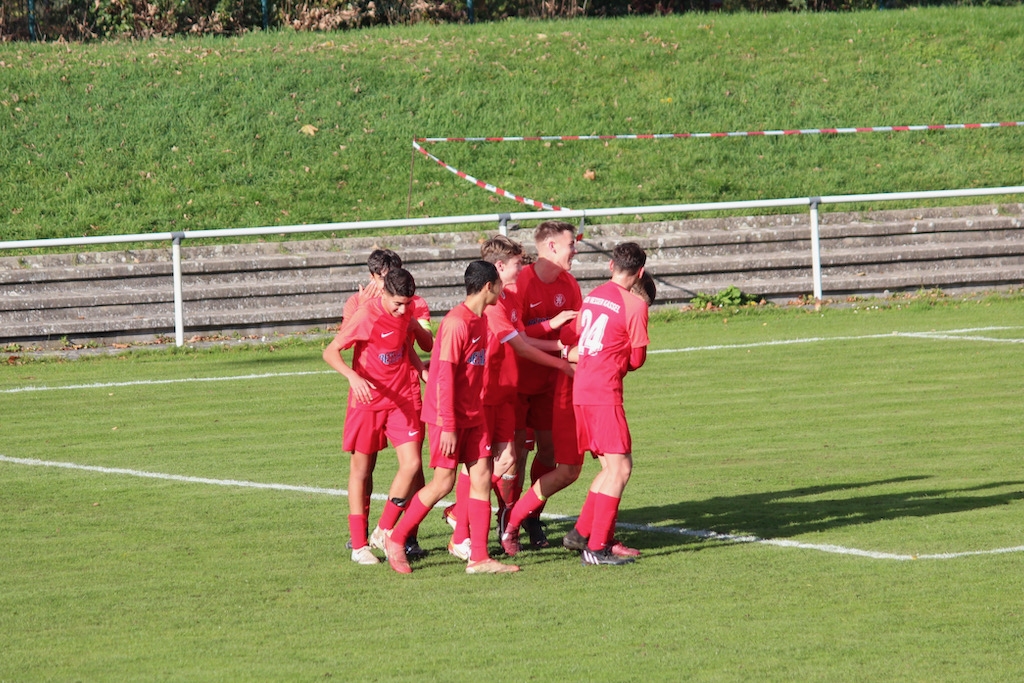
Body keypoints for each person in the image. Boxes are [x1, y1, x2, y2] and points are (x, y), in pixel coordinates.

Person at [385, 261, 520, 575]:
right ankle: (396, 538)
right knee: (443, 483)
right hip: (448, 418)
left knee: (482, 477)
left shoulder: (482, 320)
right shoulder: (457, 323)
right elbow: (444, 377)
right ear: (488, 287)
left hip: (474, 413)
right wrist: (447, 424)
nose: (503, 290)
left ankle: (479, 558)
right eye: (499, 285)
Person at [446, 235, 574, 561]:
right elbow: (520, 346)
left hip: (507, 393)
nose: (523, 267)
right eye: (518, 263)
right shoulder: (491, 307)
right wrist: (562, 359)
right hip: (486, 395)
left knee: (506, 461)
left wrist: (555, 335)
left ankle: (492, 521)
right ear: (500, 267)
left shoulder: (511, 297)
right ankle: (462, 524)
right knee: (476, 467)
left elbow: (523, 337)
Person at [322, 267, 424, 565]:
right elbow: (330, 352)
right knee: (361, 471)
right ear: (385, 294)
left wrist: (420, 368)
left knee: (412, 464)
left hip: (400, 400)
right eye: (398, 304)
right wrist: (353, 377)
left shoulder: (407, 312)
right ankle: (358, 546)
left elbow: (404, 344)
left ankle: (383, 530)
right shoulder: (367, 315)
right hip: (367, 402)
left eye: (407, 303)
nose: (403, 310)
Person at [563, 242, 651, 566]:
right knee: (621, 468)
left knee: (609, 468)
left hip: (582, 387)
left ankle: (582, 533)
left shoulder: (592, 296)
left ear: (611, 265)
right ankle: (596, 548)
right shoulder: (635, 305)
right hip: (603, 391)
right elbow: (637, 359)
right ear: (640, 272)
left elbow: (581, 339)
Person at [506, 221, 581, 550]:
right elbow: (517, 337)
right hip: (518, 383)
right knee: (515, 457)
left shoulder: (569, 284)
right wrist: (553, 330)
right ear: (551, 246)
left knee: (550, 453)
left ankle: (531, 515)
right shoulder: (520, 282)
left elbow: (574, 333)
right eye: (571, 244)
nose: (575, 250)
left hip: (552, 382)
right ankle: (506, 520)